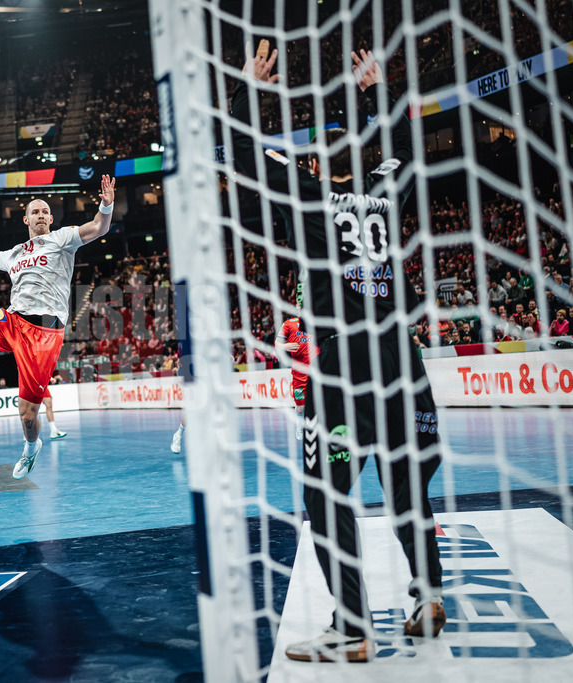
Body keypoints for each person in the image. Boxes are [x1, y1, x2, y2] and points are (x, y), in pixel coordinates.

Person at [232, 45, 445, 662]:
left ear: (324, 160)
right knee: (406, 489)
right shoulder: (386, 192)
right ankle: (427, 595)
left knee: (326, 495)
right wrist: (381, 92)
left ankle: (351, 627)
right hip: (403, 363)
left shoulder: (309, 198)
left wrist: (248, 90)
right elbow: (408, 142)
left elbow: (244, 157)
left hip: (343, 365)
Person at [0, 175, 116, 479]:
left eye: (45, 211)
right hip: (12, 320)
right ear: (26, 218)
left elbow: (97, 228)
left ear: (51, 218)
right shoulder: (15, 252)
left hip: (44, 335)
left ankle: (31, 448)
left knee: (28, 416)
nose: (40, 215)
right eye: (35, 212)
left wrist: (106, 206)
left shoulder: (63, 238)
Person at [275, 312, 312, 435]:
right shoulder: (288, 323)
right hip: (299, 372)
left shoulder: (316, 321)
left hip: (317, 370)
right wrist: (286, 346)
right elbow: (277, 344)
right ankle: (300, 423)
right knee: (301, 406)